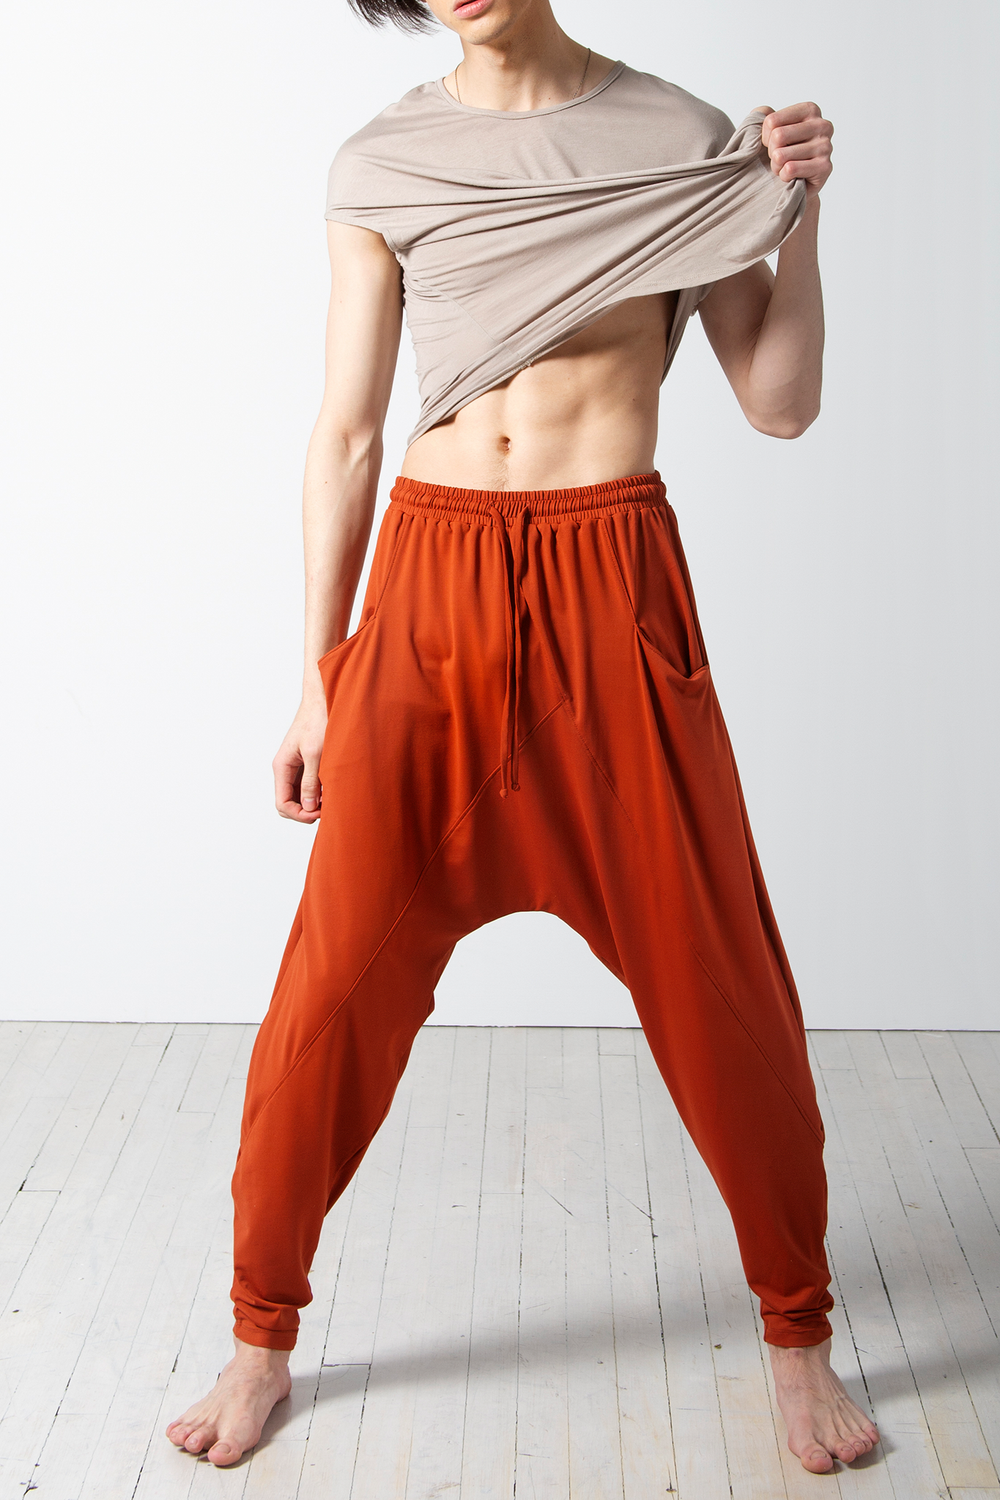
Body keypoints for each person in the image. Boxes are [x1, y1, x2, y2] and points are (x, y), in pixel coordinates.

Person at [167, 0, 880, 1476]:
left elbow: (781, 404)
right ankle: (257, 1338)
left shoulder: (679, 136)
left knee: (723, 983)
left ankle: (799, 1337)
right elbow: (347, 432)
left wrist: (797, 210)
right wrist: (319, 675)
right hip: (427, 592)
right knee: (329, 997)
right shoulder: (381, 158)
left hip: (613, 586)